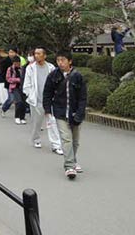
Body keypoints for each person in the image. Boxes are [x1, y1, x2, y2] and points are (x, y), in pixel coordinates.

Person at [43, 51, 88, 179]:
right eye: (58, 60)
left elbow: (83, 98)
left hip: (75, 112)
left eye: (63, 60)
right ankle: (69, 166)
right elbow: (47, 93)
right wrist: (47, 110)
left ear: (70, 61)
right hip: (60, 112)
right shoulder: (53, 75)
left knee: (75, 141)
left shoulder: (78, 76)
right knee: (66, 139)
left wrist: (80, 113)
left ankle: (73, 160)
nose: (60, 63)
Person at [23, 47, 63, 154]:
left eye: (39, 53)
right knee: (36, 123)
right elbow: (26, 84)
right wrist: (30, 94)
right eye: (35, 53)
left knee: (52, 122)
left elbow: (57, 82)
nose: (36, 55)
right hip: (36, 100)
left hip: (49, 100)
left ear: (44, 55)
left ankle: (56, 145)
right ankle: (36, 139)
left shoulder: (51, 68)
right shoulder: (30, 68)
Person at [2, 56, 26, 124]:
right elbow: (8, 79)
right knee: (18, 102)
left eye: (18, 63)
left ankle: (22, 117)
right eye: (15, 63)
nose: (17, 64)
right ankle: (17, 117)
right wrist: (17, 80)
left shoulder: (22, 68)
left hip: (23, 87)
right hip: (14, 87)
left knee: (23, 103)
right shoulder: (10, 69)